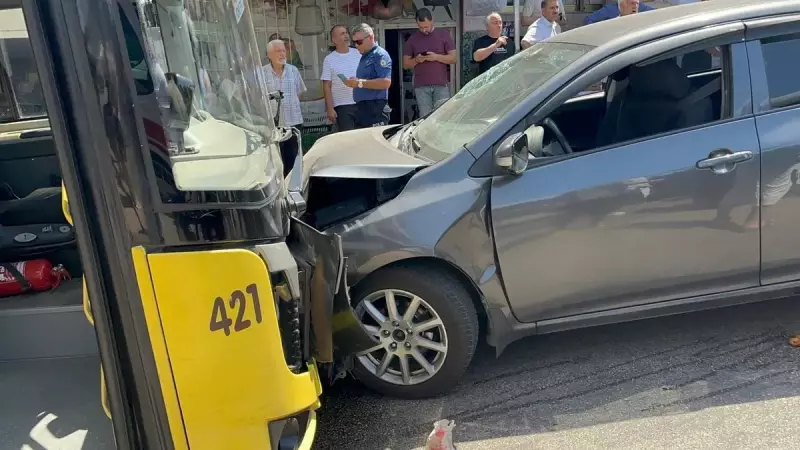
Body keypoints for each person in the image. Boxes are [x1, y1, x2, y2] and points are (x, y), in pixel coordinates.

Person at [261, 39, 306, 176]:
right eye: (278, 51)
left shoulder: (293, 70)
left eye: (283, 51)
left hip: (293, 122)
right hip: (274, 125)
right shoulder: (262, 73)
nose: (282, 54)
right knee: (277, 161)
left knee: (294, 159)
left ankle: (294, 189)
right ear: (269, 55)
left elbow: (300, 92)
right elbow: (259, 98)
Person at [402, 8, 456, 117]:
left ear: (432, 21)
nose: (423, 30)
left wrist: (435, 57)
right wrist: (417, 60)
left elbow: (453, 58)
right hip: (421, 86)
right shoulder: (413, 39)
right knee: (425, 118)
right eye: (420, 27)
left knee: (442, 117)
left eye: (426, 26)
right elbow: (406, 64)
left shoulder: (443, 35)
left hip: (441, 85)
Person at [344, 23, 392, 128]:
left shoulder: (380, 55)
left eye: (359, 42)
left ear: (370, 37)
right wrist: (356, 82)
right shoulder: (365, 56)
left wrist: (359, 83)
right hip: (362, 108)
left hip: (375, 108)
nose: (356, 45)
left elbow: (386, 82)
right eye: (354, 42)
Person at [321, 25, 362, 131]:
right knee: (347, 138)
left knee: (363, 137)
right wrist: (330, 108)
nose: (346, 35)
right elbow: (327, 85)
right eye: (342, 34)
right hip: (342, 105)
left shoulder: (359, 53)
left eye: (346, 33)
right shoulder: (329, 59)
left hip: (361, 103)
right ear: (334, 39)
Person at [583, 0, 654, 25]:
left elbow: (658, 14)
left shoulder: (641, 7)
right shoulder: (609, 9)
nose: (634, 6)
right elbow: (588, 20)